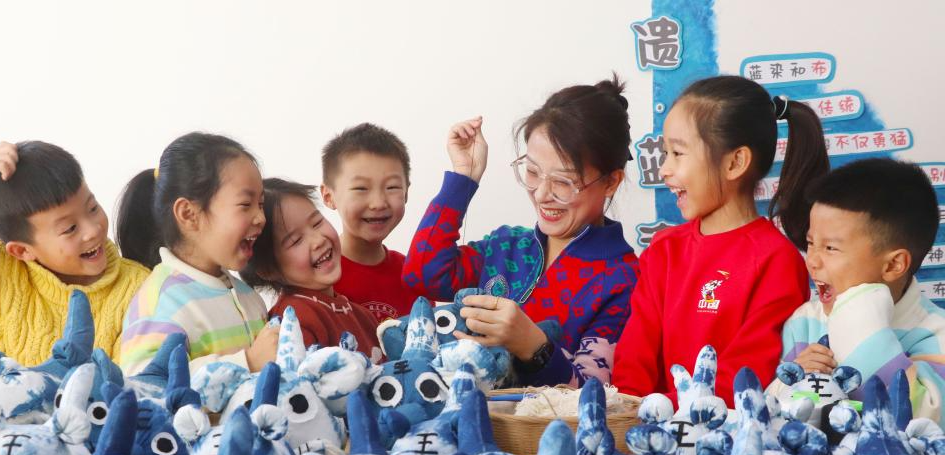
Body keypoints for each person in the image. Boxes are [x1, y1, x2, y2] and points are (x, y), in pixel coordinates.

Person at [403, 75, 638, 387]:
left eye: (563, 181)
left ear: (611, 181)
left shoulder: (624, 279)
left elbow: (597, 395)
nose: (542, 194)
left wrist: (532, 345)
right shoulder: (506, 245)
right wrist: (463, 179)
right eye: (532, 171)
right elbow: (422, 274)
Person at [612, 76, 829, 403]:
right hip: (646, 423)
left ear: (734, 162)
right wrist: (628, 411)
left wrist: (662, 410)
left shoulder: (776, 260)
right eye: (665, 153)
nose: (664, 169)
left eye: (677, 153)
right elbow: (634, 359)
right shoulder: (664, 250)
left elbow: (744, 377)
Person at [0, 141, 148, 364]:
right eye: (70, 228)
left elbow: (129, 380)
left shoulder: (140, 289)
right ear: (21, 250)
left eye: (93, 208)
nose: (93, 230)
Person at [771, 157, 945, 422]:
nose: (812, 260)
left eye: (831, 248)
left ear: (893, 264)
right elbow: (769, 413)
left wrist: (860, 322)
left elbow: (926, 415)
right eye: (811, 243)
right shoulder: (805, 321)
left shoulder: (934, 333)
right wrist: (793, 379)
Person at [117, 132, 275, 374]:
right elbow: (147, 386)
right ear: (189, 214)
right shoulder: (158, 304)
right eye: (246, 204)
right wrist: (248, 362)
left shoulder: (249, 297)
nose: (261, 217)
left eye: (261, 204)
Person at [242, 178, 381, 359]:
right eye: (296, 240)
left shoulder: (362, 315)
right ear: (268, 271)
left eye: (316, 222)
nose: (318, 240)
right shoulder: (293, 323)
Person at [320, 123, 418, 323]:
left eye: (392, 187)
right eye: (361, 188)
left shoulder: (414, 274)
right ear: (329, 196)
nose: (378, 203)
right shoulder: (317, 275)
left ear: (406, 192)